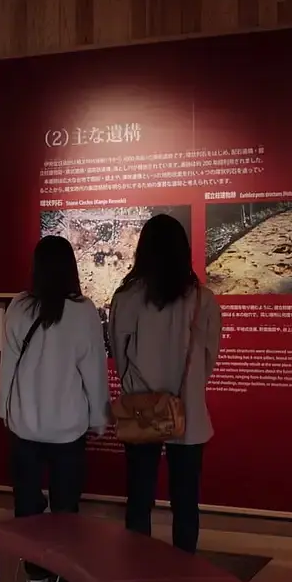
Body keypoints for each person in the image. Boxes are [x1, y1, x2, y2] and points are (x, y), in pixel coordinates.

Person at [0, 235, 110, 582]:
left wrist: (5, 410)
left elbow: (7, 367)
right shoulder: (84, 312)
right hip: (68, 427)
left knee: (27, 502)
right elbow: (93, 370)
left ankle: (34, 570)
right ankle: (62, 573)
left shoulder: (18, 307)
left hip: (25, 424)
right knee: (65, 505)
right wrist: (99, 418)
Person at [109, 214, 222, 554]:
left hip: (142, 410)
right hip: (187, 412)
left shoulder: (127, 297)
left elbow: (117, 351)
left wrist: (138, 382)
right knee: (186, 502)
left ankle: (138, 568)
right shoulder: (203, 299)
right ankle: (183, 573)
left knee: (139, 498)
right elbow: (210, 358)